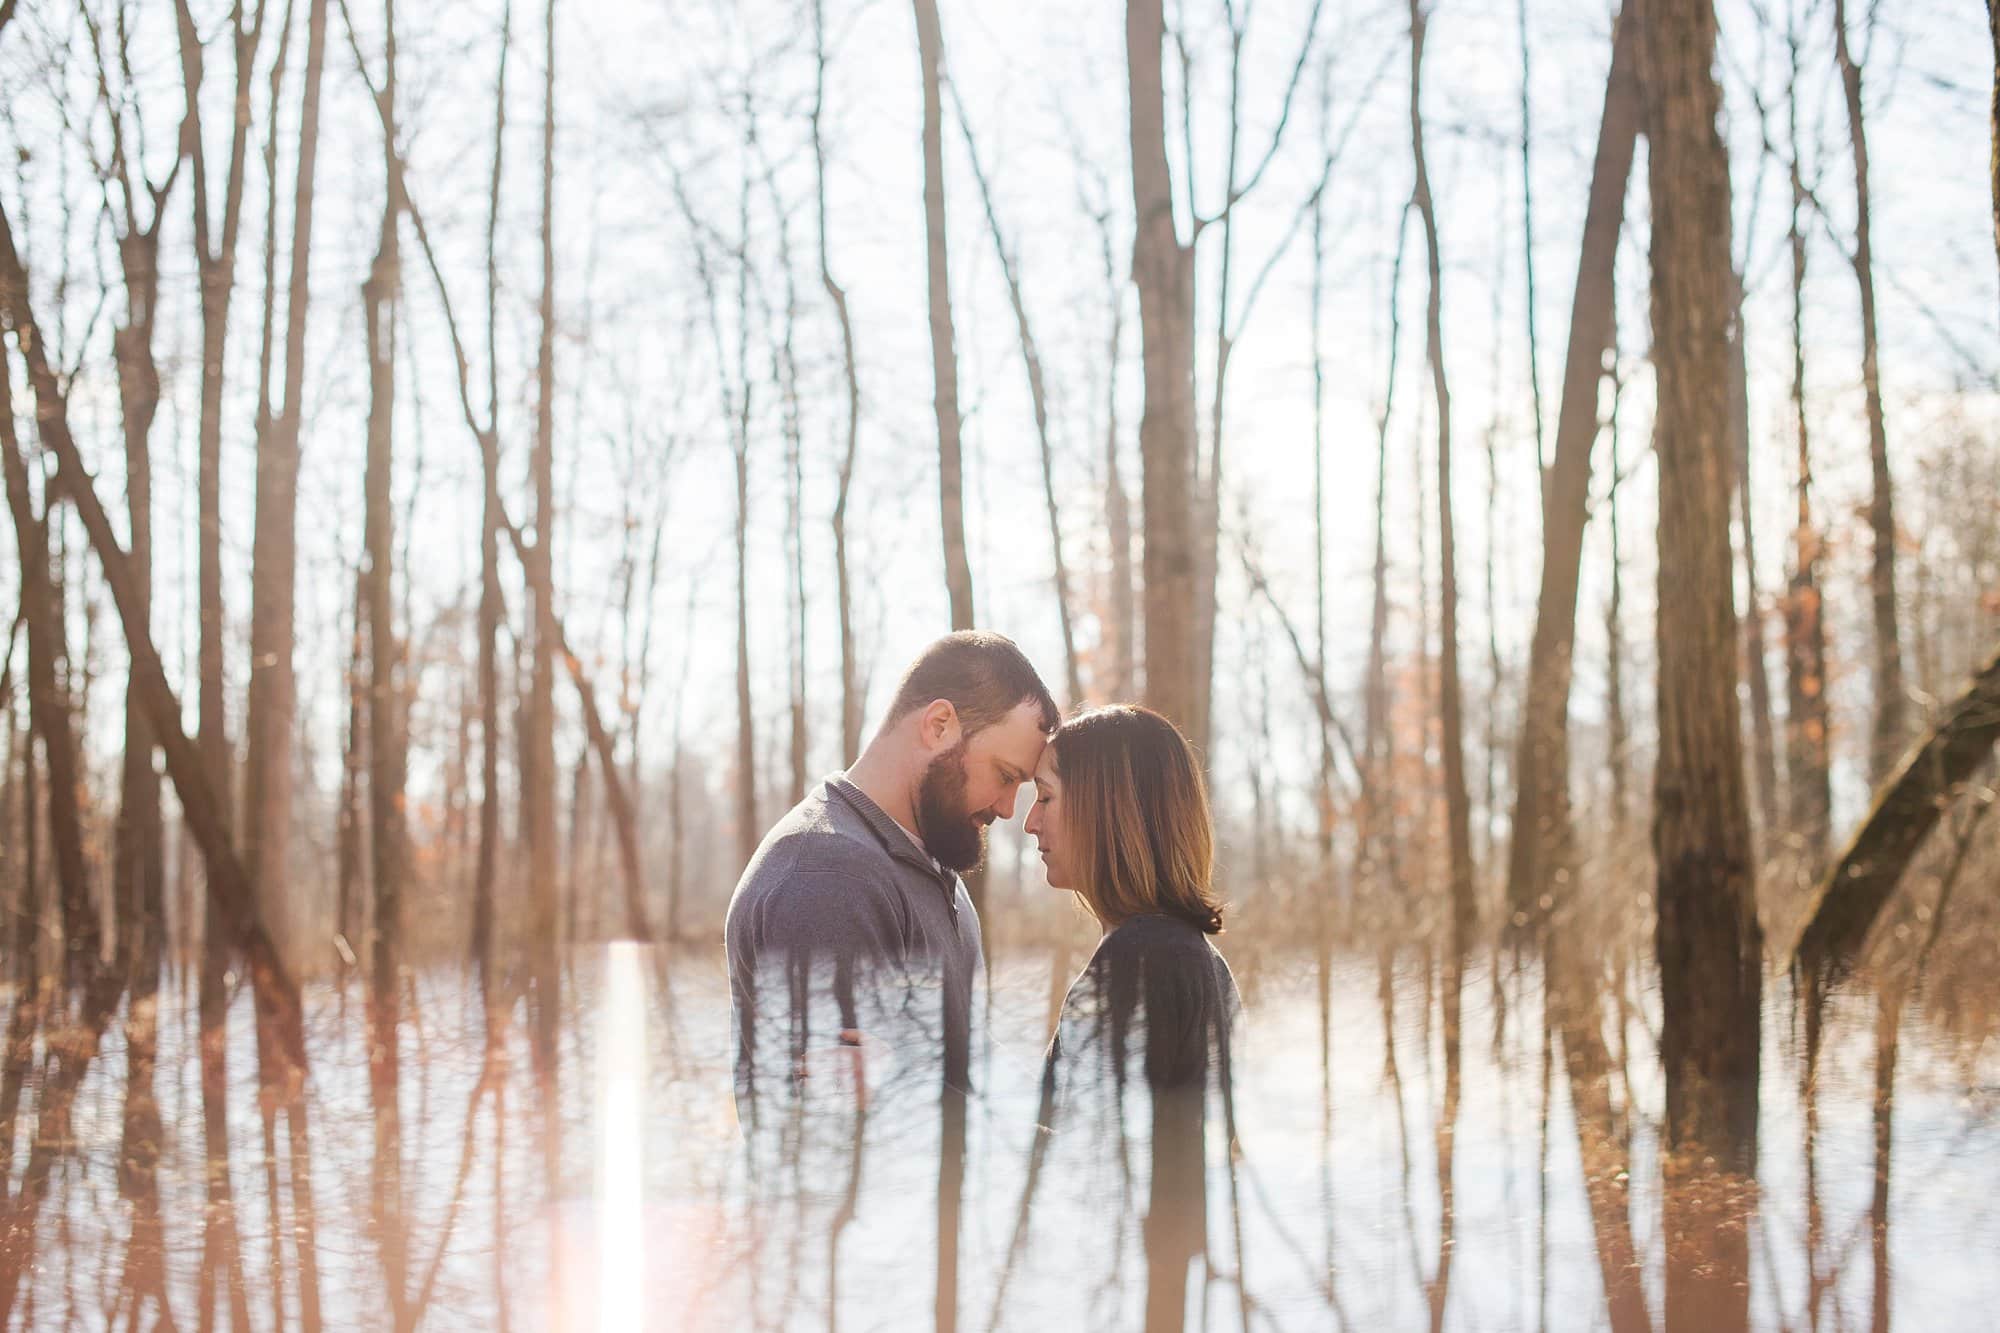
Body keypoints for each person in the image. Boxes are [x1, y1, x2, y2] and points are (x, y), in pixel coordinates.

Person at [724, 630, 1057, 1108]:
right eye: (1006, 776)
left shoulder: (928, 865)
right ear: (940, 724)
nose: (1008, 809)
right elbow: (842, 1146)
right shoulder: (828, 876)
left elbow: (958, 1066)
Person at [1015, 704, 1240, 1333]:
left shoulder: (1145, 959)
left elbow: (1078, 1165)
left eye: (1047, 797)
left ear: (1106, 809)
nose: (1030, 822)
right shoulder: (1186, 955)